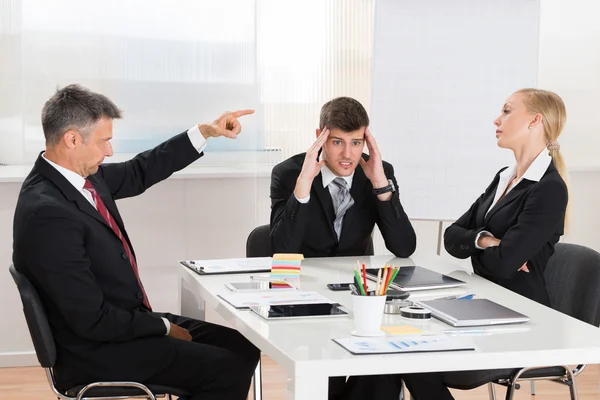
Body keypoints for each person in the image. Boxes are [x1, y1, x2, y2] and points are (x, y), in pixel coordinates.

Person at [12, 84, 260, 400]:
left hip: (119, 327)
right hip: (94, 352)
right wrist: (164, 328)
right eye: (105, 141)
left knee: (242, 345)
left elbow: (140, 170)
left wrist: (205, 132)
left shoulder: (78, 178)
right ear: (72, 139)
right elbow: (91, 320)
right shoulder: (47, 213)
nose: (110, 151)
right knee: (226, 368)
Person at [402, 88, 569, 399]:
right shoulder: (504, 177)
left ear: (535, 120)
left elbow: (505, 265)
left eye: (507, 111)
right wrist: (489, 241)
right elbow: (452, 237)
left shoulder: (548, 189)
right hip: (484, 306)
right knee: (400, 345)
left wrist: (486, 248)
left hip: (521, 322)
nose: (497, 119)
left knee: (411, 357)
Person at [269, 96, 417, 399]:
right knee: (326, 377)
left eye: (356, 141)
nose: (348, 154)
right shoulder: (289, 173)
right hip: (304, 299)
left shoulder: (377, 171)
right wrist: (304, 185)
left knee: (386, 369)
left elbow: (404, 247)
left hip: (357, 296)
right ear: (319, 137)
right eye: (337, 142)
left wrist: (380, 184)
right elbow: (283, 250)